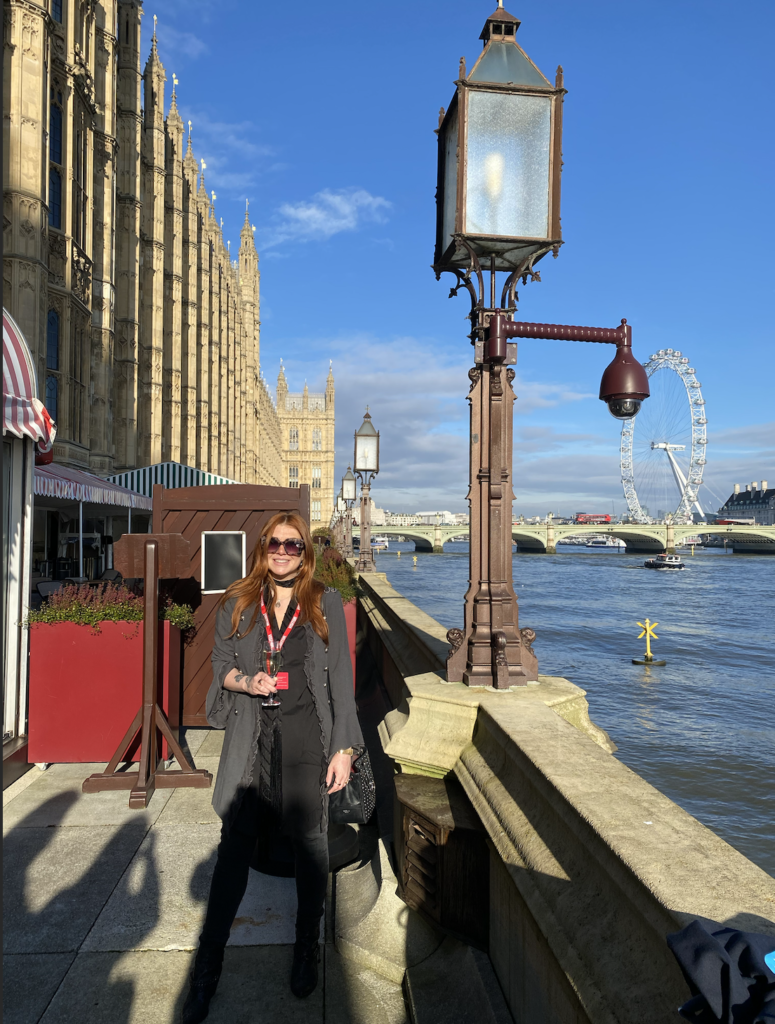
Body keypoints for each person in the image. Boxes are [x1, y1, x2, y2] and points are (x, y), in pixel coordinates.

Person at [182, 512, 363, 1024]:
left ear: (306, 553)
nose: (283, 552)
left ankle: (307, 945)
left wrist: (344, 750)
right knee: (234, 852)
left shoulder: (325, 603)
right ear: (262, 548)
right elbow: (219, 668)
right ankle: (207, 966)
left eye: (294, 545)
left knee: (311, 848)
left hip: (309, 737)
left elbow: (342, 684)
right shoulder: (238, 604)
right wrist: (246, 681)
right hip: (253, 737)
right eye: (275, 544)